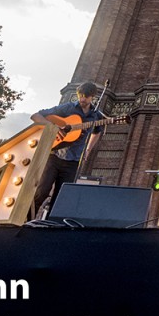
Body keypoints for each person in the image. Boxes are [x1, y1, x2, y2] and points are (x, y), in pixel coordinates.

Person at [31, 81, 106, 218]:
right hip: (54, 156)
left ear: (92, 97)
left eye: (86, 96)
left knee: (61, 198)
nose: (82, 99)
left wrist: (88, 149)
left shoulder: (96, 116)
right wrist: (54, 127)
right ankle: (27, 221)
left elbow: (97, 132)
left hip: (73, 162)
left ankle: (50, 224)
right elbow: (36, 116)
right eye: (80, 95)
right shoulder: (68, 108)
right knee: (42, 192)